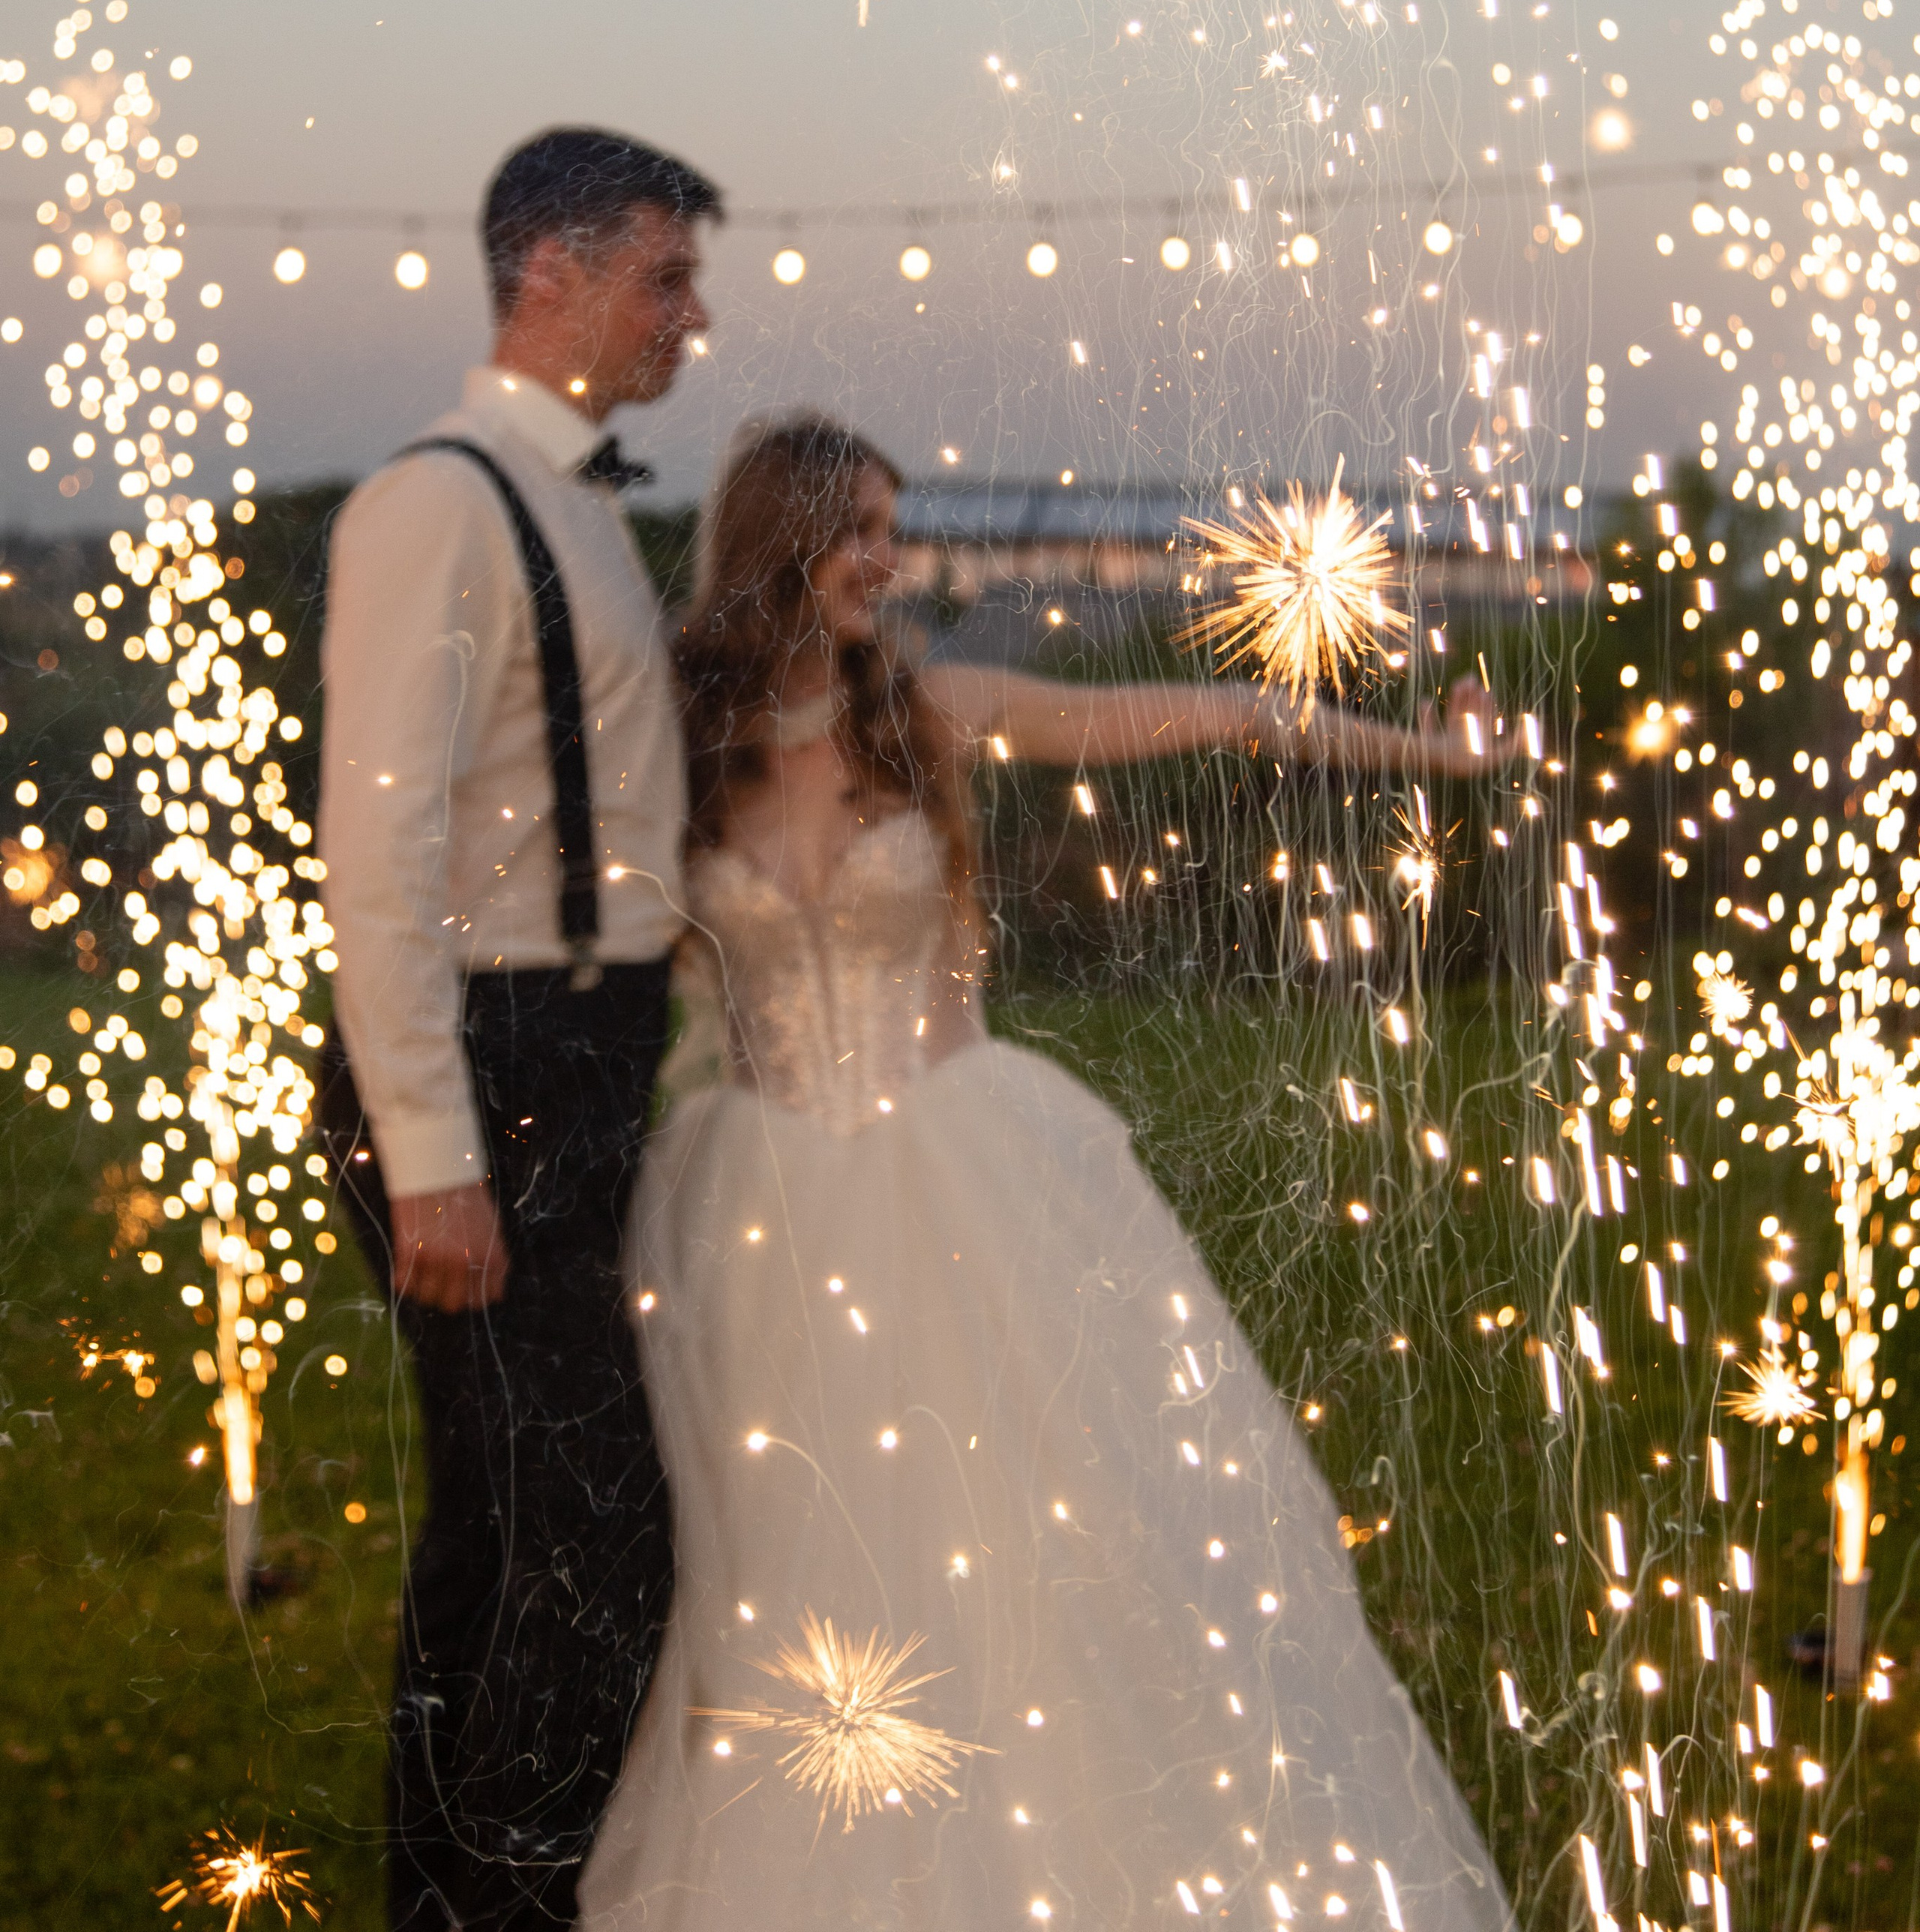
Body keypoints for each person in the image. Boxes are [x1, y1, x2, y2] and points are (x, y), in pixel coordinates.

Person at [579, 416, 1516, 1931]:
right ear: (776, 545)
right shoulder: (678, 752)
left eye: (892, 527)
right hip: (762, 1209)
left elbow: (1213, 716)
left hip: (966, 1178)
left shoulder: (927, 712)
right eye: (856, 530)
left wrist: (1426, 750)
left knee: (1046, 1533)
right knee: (802, 1564)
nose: (885, 560)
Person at [316, 127, 721, 1930]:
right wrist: (433, 1162)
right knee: (600, 1543)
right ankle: (502, 1910)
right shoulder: (438, 503)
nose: (689, 318)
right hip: (493, 1072)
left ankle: (436, 1895)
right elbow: (378, 862)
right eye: (663, 276)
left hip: (580, 1051)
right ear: (546, 273)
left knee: (501, 1531)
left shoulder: (571, 502)